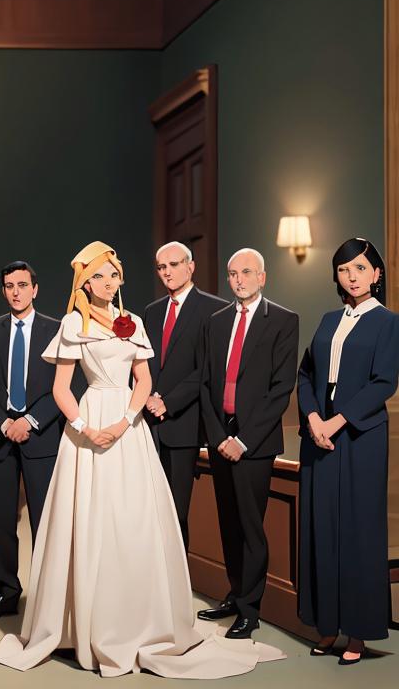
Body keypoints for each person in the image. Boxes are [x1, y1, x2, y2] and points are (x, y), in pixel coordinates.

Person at [0, 241, 282, 678]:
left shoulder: (133, 322)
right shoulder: (72, 323)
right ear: (85, 283)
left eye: (113, 275)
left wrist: (126, 421)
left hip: (128, 428)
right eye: (99, 277)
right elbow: (60, 390)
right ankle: (81, 623)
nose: (108, 283)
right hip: (87, 427)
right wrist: (86, 427)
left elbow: (143, 380)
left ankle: (140, 621)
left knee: (134, 522)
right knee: (89, 520)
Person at [297, 238, 398, 665]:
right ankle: (328, 626)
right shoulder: (327, 320)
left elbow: (384, 382)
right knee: (322, 527)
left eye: (360, 268)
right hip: (319, 434)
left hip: (360, 436)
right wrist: (314, 419)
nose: (351, 276)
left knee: (358, 532)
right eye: (343, 270)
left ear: (376, 274)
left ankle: (358, 633)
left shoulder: (388, 322)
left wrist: (338, 421)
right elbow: (306, 374)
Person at [197, 248, 298, 639]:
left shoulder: (283, 320)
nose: (238, 280)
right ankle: (235, 593)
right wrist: (219, 437)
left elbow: (280, 389)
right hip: (222, 439)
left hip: (254, 443)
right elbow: (207, 384)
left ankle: (250, 609)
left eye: (246, 273)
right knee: (228, 522)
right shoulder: (217, 321)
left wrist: (243, 440)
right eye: (232, 274)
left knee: (251, 525)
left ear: (262, 277)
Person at [0, 261, 62, 621]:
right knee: (2, 521)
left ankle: (47, 596)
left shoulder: (56, 331)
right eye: (9, 286)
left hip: (42, 439)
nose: (16, 291)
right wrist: (4, 423)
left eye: (22, 284)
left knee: (45, 520)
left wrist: (31, 421)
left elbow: (63, 387)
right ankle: (7, 591)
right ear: (3, 291)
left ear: (34, 289)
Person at [143, 242, 227, 548]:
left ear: (190, 267)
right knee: (150, 512)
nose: (167, 272)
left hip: (186, 424)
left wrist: (167, 401)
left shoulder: (214, 309)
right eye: (161, 267)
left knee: (177, 513)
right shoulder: (152, 312)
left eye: (174, 265)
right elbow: (145, 362)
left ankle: (178, 586)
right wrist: (148, 397)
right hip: (150, 424)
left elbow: (207, 369)